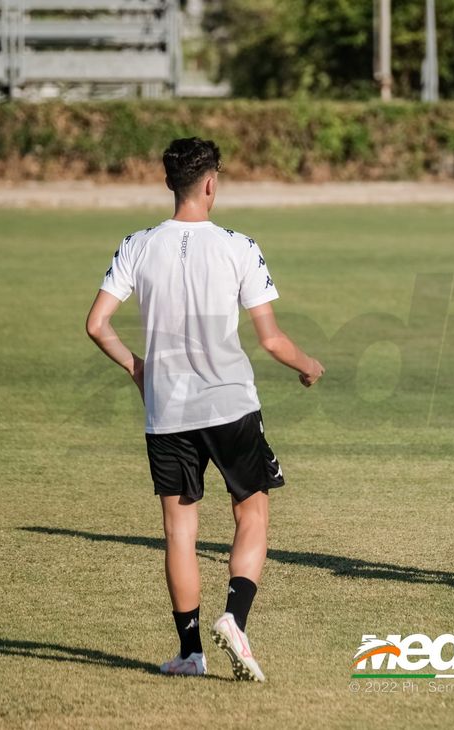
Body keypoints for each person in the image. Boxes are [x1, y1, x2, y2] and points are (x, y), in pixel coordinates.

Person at [85, 137, 324, 679]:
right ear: (211, 182)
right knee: (253, 510)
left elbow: (96, 325)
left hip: (166, 410)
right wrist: (308, 365)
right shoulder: (238, 245)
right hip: (230, 405)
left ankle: (190, 653)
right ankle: (235, 619)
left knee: (179, 532)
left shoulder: (138, 245)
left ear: (171, 183)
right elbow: (270, 340)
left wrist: (136, 367)